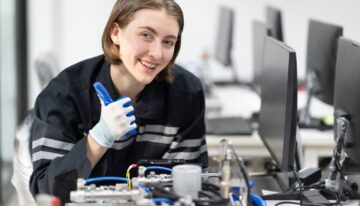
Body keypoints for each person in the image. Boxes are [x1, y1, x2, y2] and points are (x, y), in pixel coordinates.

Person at [29, 0, 208, 204]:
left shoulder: (187, 94)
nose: (157, 54)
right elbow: (47, 191)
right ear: (116, 33)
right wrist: (98, 138)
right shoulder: (63, 94)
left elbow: (190, 184)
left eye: (168, 41)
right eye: (146, 35)